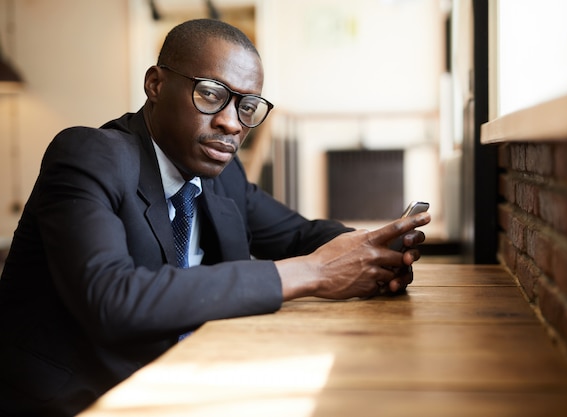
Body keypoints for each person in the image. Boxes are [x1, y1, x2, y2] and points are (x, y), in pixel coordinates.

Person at [0, 18, 430, 416]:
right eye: (209, 93)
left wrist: (375, 250)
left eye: (247, 107)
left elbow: (301, 236)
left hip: (187, 385)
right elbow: (113, 298)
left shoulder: (220, 176)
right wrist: (314, 272)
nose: (230, 123)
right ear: (155, 83)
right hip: (74, 401)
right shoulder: (91, 154)